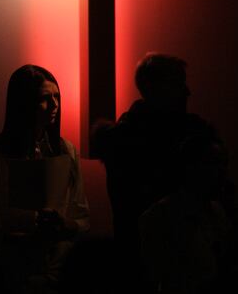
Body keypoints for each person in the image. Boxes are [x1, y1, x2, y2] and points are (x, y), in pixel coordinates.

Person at [92, 53, 222, 292]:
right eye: (179, 83)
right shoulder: (189, 138)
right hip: (162, 264)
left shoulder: (122, 142)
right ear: (156, 89)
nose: (187, 92)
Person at [0, 65, 90, 294]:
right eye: (45, 98)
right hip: (12, 272)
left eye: (57, 96)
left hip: (59, 268)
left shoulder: (66, 150)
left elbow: (82, 216)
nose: (55, 105)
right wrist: (11, 233)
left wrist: (64, 225)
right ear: (24, 104)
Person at [139, 132, 236, 293]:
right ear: (190, 167)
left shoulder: (218, 212)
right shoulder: (160, 217)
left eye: (224, 164)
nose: (222, 172)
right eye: (213, 163)